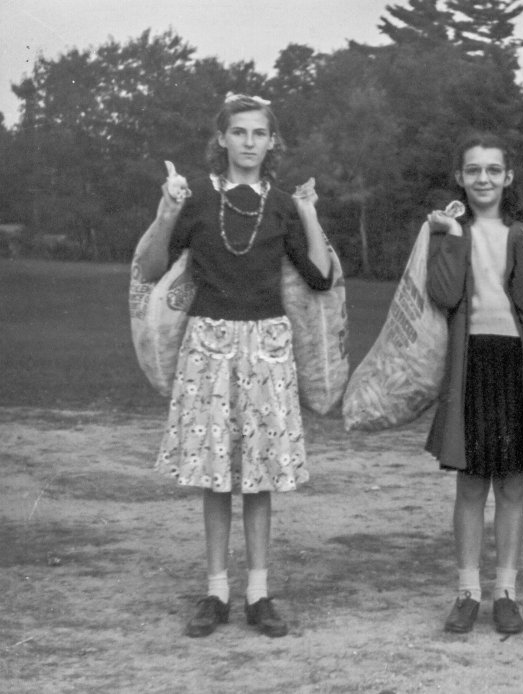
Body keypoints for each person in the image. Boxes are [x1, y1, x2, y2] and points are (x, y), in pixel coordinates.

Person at [137, 93, 334, 638]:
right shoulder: (197, 197)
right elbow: (153, 269)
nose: (249, 142)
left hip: (267, 345)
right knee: (216, 475)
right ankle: (216, 591)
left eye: (259, 134)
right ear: (221, 138)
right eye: (239, 132)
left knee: (261, 475)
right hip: (210, 344)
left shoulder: (281, 206)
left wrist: (310, 213)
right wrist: (167, 211)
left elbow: (319, 277)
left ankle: (259, 593)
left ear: (273, 142)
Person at [424, 132, 523, 635]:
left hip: (515, 365)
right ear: (459, 177)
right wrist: (455, 236)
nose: (483, 179)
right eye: (473, 170)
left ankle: (506, 590)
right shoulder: (445, 231)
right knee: (469, 484)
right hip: (469, 362)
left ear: (508, 177)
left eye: (492, 170)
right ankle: (467, 590)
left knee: (510, 485)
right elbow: (442, 294)